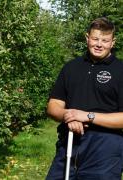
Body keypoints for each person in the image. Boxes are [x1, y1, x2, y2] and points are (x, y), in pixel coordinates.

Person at [46, 17, 123, 180]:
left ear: (113, 42)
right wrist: (70, 116)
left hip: (106, 150)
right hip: (69, 143)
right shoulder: (71, 67)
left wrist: (88, 116)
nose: (99, 44)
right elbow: (53, 106)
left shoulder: (120, 70)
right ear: (87, 38)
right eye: (95, 39)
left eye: (105, 40)